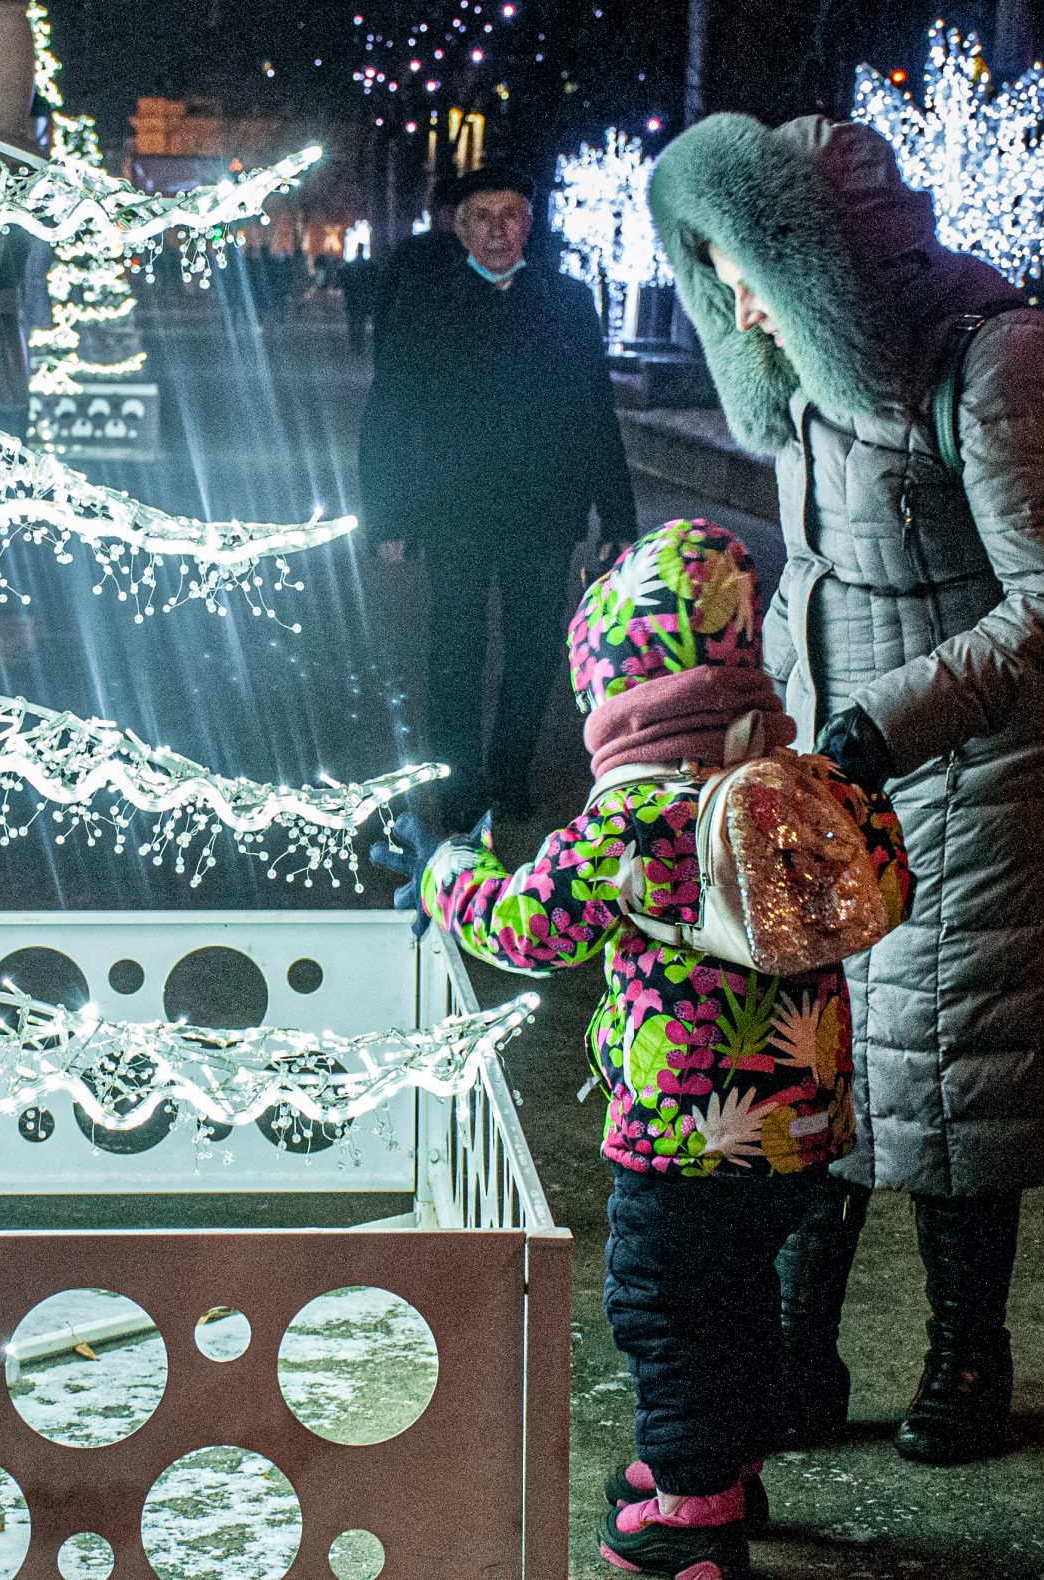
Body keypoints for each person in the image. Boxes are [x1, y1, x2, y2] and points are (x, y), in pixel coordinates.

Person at [650, 114, 1044, 1465]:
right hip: (829, 767)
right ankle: (801, 1360)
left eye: (751, 269)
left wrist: (874, 728)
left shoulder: (1005, 361)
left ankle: (970, 1353)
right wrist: (760, 710)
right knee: (826, 1055)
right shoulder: (804, 366)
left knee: (958, 1081)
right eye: (718, 270)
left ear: (825, 263)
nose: (736, 302)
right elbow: (820, 571)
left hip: (987, 772)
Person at [373, 520, 911, 1580]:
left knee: (660, 1309)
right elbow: (887, 876)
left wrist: (442, 870)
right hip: (803, 1129)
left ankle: (689, 1518)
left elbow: (522, 927)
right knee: (741, 1289)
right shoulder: (803, 791)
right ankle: (723, 1463)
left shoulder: (633, 822)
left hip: (681, 1137)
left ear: (617, 697)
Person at [357, 163, 638, 828]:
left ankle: (509, 772)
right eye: (481, 217)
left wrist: (617, 514)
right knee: (455, 646)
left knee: (535, 646)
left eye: (509, 215)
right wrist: (388, 513)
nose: (495, 230)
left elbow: (595, 410)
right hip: (453, 508)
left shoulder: (567, 302)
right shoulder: (429, 301)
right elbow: (390, 409)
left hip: (543, 512)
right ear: (460, 226)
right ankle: (457, 784)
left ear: (529, 224)